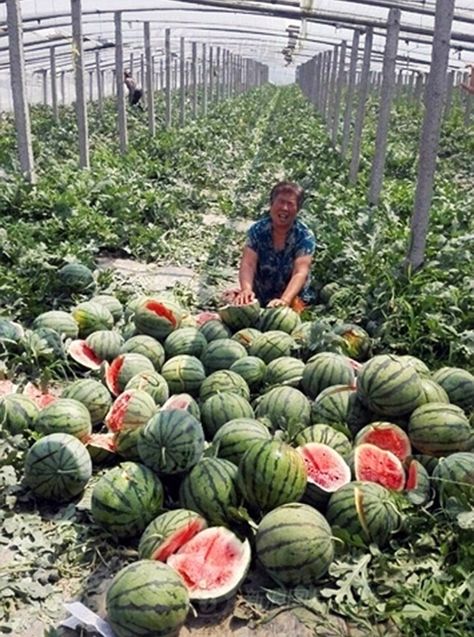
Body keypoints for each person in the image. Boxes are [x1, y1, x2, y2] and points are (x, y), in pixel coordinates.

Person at [230, 181, 316, 311]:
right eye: (281, 202)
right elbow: (248, 263)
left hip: (293, 299)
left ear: (297, 209)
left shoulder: (304, 236)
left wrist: (284, 301)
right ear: (271, 204)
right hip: (259, 296)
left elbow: (300, 272)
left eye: (290, 204)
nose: (285, 208)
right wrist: (246, 290)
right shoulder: (258, 230)